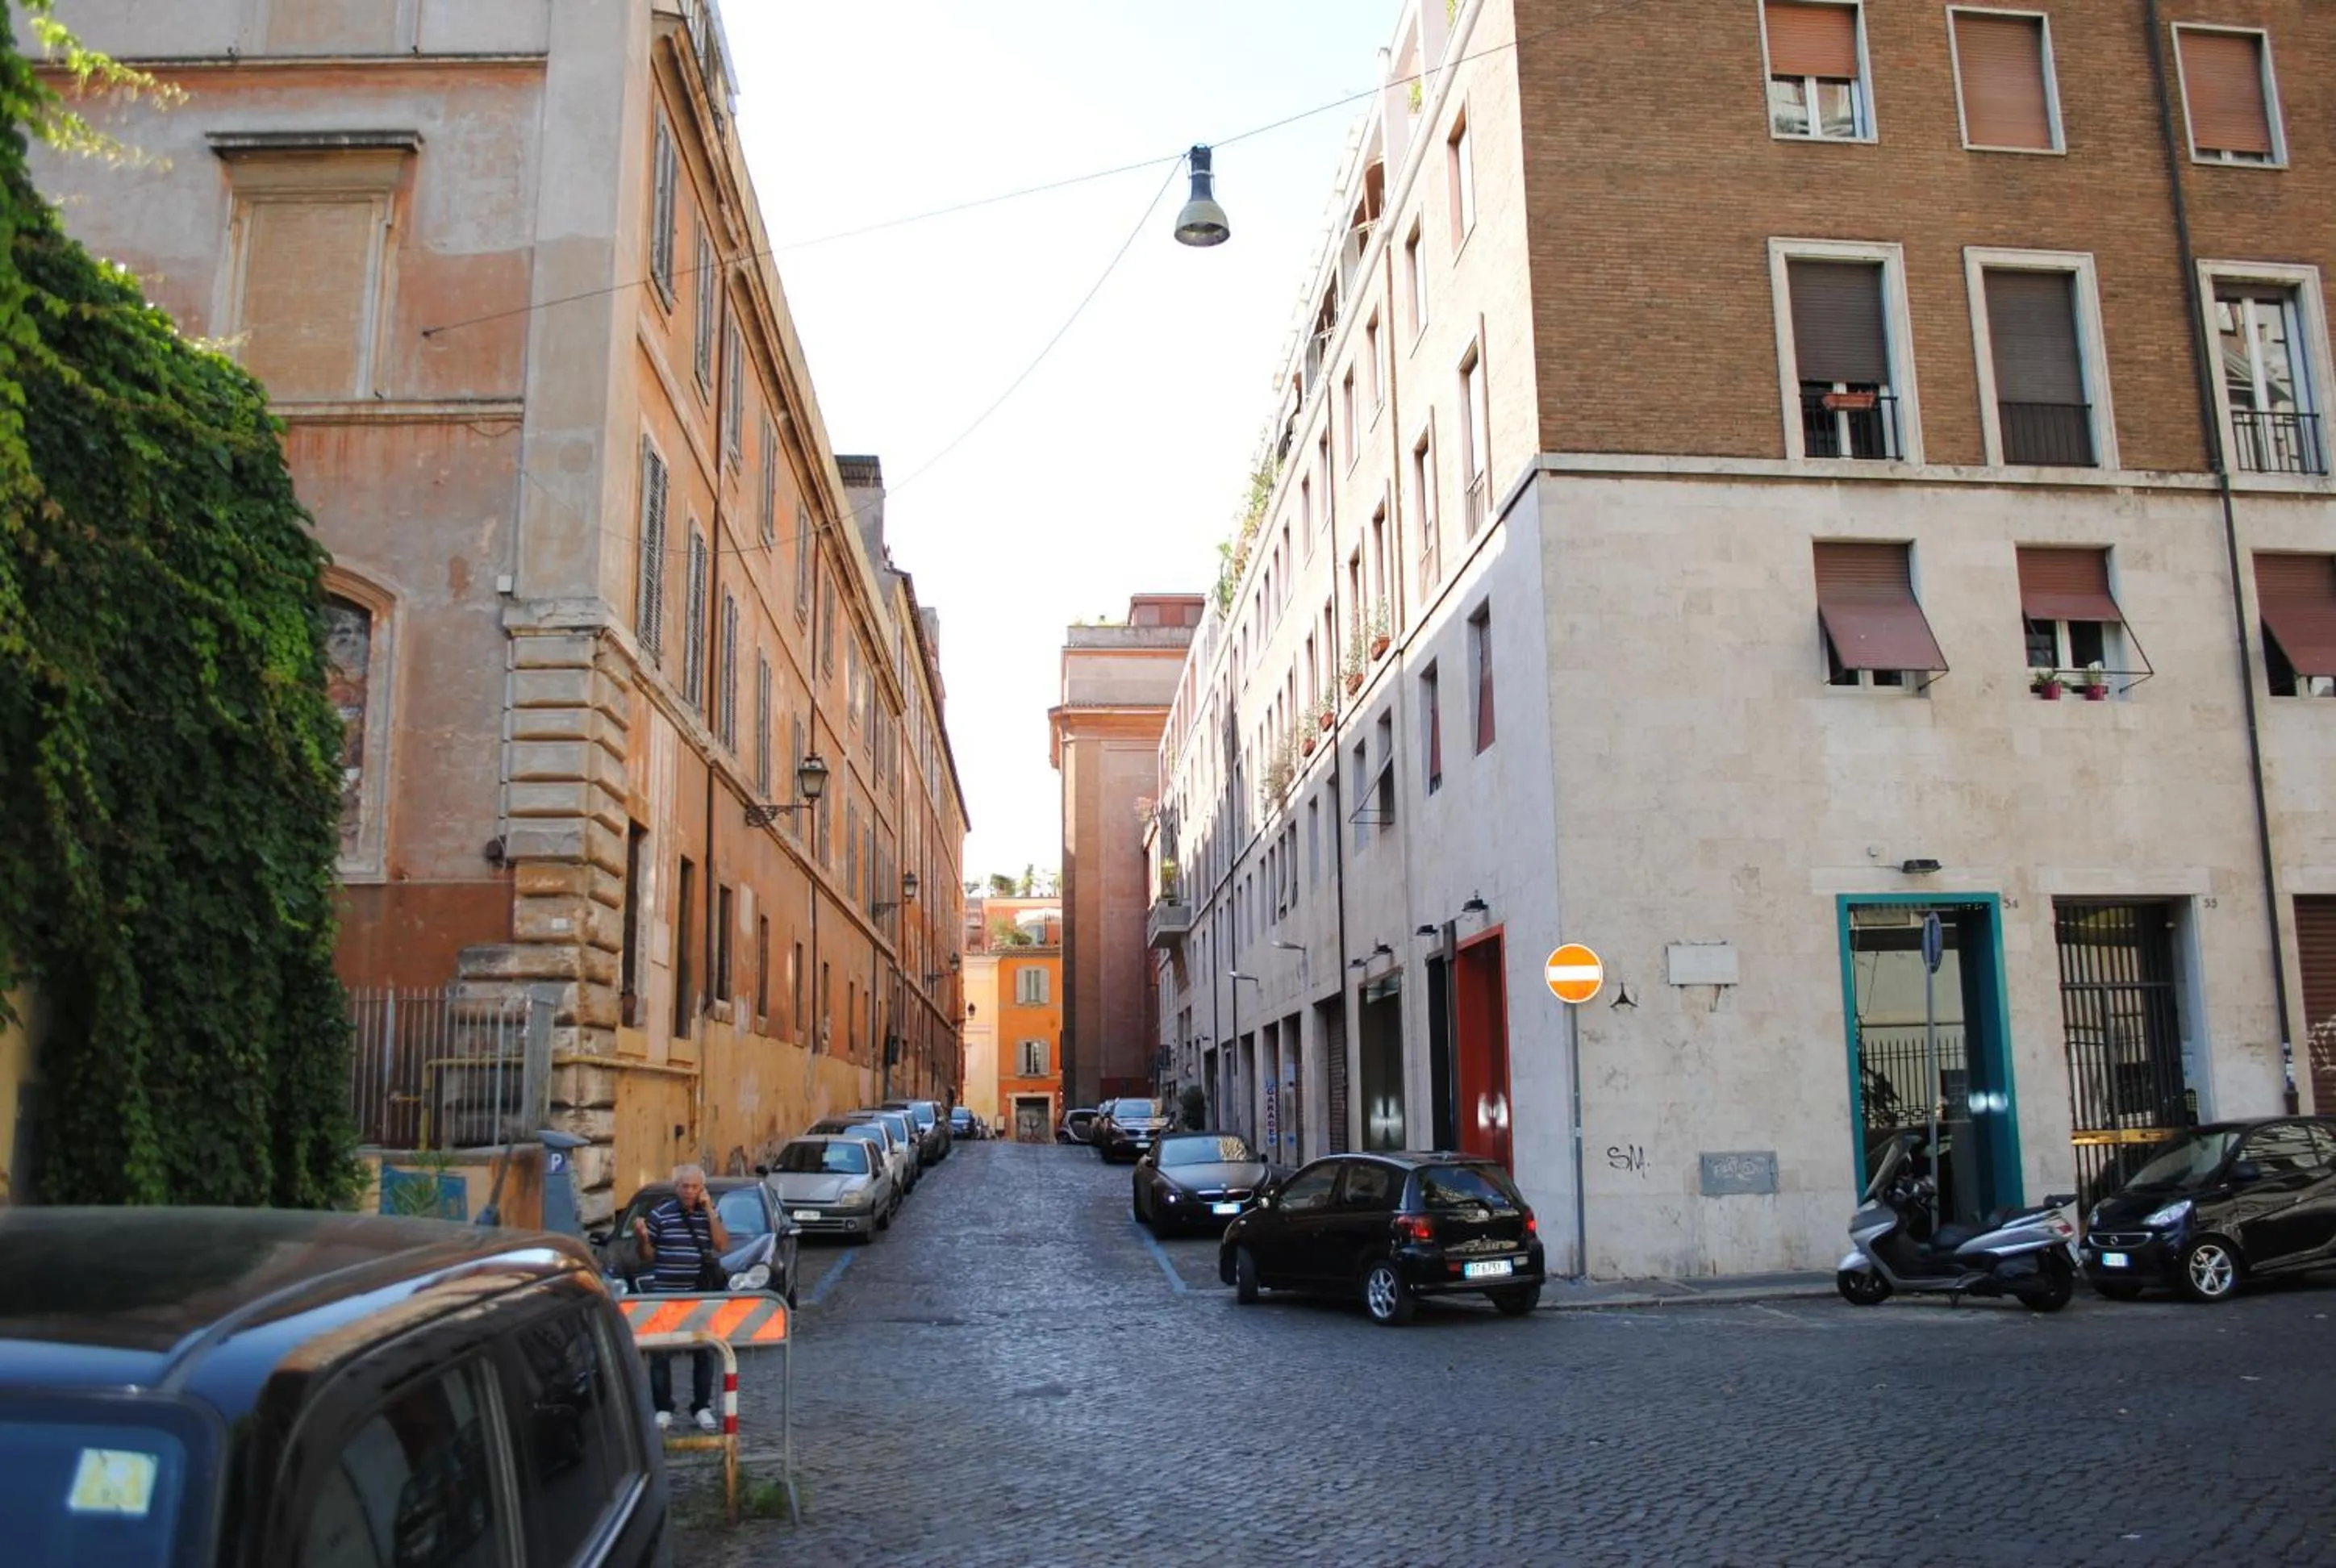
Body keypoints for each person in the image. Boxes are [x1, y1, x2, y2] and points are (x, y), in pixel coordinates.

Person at [632, 1162, 730, 1432]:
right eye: (684, 1186)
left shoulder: (709, 1213)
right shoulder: (661, 1215)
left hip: (699, 1294)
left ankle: (702, 1407)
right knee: (661, 1353)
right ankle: (663, 1408)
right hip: (666, 1293)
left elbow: (722, 1245)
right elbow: (646, 1256)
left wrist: (709, 1209)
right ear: (677, 1188)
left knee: (704, 1352)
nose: (689, 1191)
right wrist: (642, 1238)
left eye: (694, 1187)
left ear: (702, 1189)